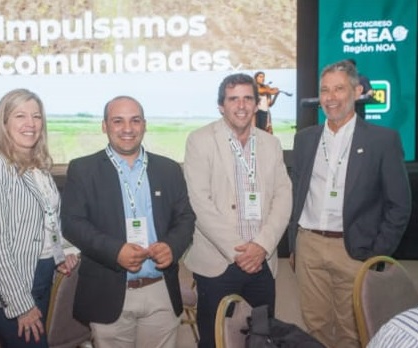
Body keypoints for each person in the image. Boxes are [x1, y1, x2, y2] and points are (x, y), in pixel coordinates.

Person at [288, 60, 412, 348]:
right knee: (314, 326)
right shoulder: (305, 139)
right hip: (309, 246)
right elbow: (296, 195)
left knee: (353, 329)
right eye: (325, 90)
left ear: (357, 92)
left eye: (339, 89)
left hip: (355, 249)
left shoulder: (383, 140)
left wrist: (377, 253)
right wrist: (295, 244)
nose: (331, 98)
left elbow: (399, 205)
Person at [60, 95, 195, 348]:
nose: (127, 129)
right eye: (118, 121)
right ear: (104, 126)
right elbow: (72, 223)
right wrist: (115, 251)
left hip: (160, 290)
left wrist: (172, 246)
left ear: (144, 124)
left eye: (135, 120)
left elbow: (185, 217)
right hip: (108, 291)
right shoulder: (83, 169)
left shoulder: (168, 169)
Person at [183, 73, 292, 348]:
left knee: (261, 335)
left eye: (247, 98)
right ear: (221, 106)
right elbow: (199, 202)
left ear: (257, 104)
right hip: (219, 262)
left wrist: (261, 246)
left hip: (262, 261)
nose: (241, 105)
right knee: (216, 339)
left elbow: (283, 196)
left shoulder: (270, 144)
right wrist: (239, 252)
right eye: (233, 99)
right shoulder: (200, 140)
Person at [0, 88, 79, 348]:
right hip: (10, 287)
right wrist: (21, 305)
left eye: (37, 116)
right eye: (20, 116)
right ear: (4, 122)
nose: (30, 123)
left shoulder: (38, 167)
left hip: (42, 275)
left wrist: (61, 251)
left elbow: (48, 222)